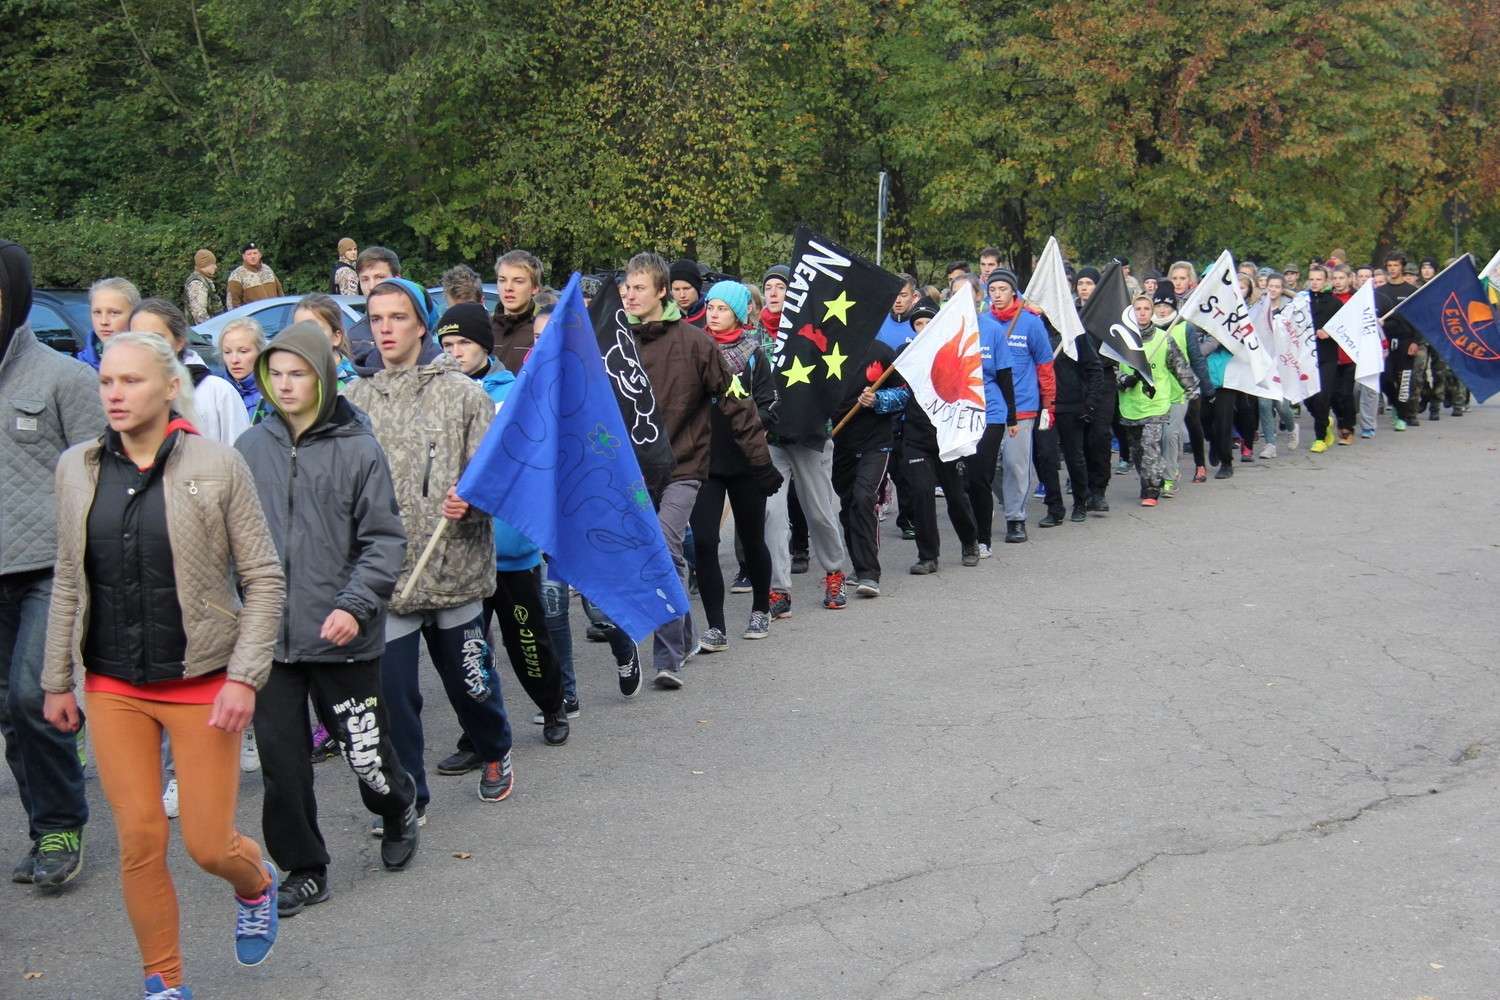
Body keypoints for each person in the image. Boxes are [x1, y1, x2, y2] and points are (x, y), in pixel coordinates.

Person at [42, 330, 285, 998]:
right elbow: (70, 577)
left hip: (203, 684)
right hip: (112, 686)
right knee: (141, 840)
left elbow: (263, 578)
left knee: (208, 845)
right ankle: (164, 984)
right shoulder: (77, 468)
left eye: (131, 381)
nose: (115, 394)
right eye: (106, 382)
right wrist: (56, 680)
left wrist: (244, 676)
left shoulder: (215, 465)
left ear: (169, 385)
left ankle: (256, 881)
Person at [235, 322, 418, 917]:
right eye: (277, 374)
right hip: (272, 642)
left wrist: (354, 604)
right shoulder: (248, 449)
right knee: (283, 768)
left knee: (365, 754)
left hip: (343, 637)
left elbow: (385, 542)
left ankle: (396, 809)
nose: (286, 386)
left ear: (323, 378)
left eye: (299, 374)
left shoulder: (358, 448)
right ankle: (304, 867)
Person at [342, 278, 517, 809]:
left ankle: (494, 747)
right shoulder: (353, 398)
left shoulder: (463, 393)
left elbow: (496, 478)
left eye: (398, 318)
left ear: (422, 324)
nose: (386, 329)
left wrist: (474, 501)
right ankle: (406, 797)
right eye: (376, 319)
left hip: (453, 567)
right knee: (393, 698)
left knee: (470, 684)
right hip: (386, 576)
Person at [622, 254, 780, 688]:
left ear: (661, 292)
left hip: (686, 467)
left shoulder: (697, 344)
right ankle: (691, 632)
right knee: (656, 554)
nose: (629, 295)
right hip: (633, 471)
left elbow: (739, 403)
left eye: (639, 288)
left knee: (667, 548)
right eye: (626, 288)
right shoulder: (614, 342)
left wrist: (761, 462)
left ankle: (668, 657)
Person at [0, 239, 106, 890]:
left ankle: (66, 822)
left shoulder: (64, 378)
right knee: (8, 713)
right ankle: (44, 829)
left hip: (50, 569)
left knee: (33, 698)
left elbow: (103, 471)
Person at [437, 302, 571, 744]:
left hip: (509, 545)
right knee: (469, 649)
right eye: (447, 344)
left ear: (484, 346)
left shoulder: (510, 393)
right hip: (459, 547)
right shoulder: (436, 397)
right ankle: (478, 732)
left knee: (526, 639)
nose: (455, 352)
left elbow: (528, 462)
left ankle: (552, 706)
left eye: (464, 343)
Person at [689, 281, 778, 646]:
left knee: (753, 538)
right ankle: (716, 626)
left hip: (746, 461)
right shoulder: (694, 347)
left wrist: (748, 421)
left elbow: (771, 406)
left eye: (723, 308)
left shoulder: (755, 353)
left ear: (740, 314)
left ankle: (760, 609)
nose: (714, 313)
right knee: (706, 543)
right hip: (705, 461)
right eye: (710, 307)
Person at [130, 299, 250, 447]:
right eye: (136, 338)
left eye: (155, 338)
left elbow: (240, 459)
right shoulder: (124, 394)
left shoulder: (218, 392)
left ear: (179, 342)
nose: (145, 346)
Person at [991, 269, 1055, 544]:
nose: (997, 295)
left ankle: (1016, 518)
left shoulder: (1030, 323)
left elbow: (1045, 366)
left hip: (1023, 407)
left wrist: (1049, 404)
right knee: (990, 465)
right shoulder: (983, 323)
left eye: (1003, 289)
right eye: (993, 290)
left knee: (1016, 465)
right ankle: (1011, 500)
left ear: (1014, 292)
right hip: (990, 407)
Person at [1117, 294, 1199, 504]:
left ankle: (1150, 490)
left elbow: (1180, 367)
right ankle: (1151, 476)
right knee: (1137, 450)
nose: (1142, 313)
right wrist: (1124, 379)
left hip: (1156, 404)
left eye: (1146, 308)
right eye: (1138, 309)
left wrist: (1192, 389)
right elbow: (1110, 369)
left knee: (1150, 445)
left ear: (1151, 312)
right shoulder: (1120, 339)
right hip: (1131, 405)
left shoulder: (1164, 339)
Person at [963, 274, 1019, 556]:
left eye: (967, 292)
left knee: (978, 478)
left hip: (990, 414)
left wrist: (1012, 417)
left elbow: (1005, 374)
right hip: (957, 414)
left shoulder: (993, 330)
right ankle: (967, 533)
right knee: (960, 480)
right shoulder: (944, 330)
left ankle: (982, 539)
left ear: (977, 296)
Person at [490, 249, 543, 373]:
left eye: (518, 281)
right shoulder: (484, 327)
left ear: (535, 288)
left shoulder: (545, 330)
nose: (508, 288)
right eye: (502, 280)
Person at [292, 294, 359, 386]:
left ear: (336, 337)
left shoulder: (354, 385)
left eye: (314, 330)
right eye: (299, 330)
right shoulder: (286, 378)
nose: (304, 337)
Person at [81, 276, 141, 369]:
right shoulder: (78, 365)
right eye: (97, 312)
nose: (103, 321)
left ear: (135, 314)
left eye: (114, 313)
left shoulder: (152, 362)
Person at [218, 317, 270, 422]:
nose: (234, 360)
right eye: (227, 352)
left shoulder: (275, 391)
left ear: (260, 352)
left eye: (243, 351)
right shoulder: (216, 391)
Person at [225, 242, 284, 309]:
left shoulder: (268, 270)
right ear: (244, 257)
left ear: (260, 255)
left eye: (255, 253)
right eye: (249, 254)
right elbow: (232, 303)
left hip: (274, 314)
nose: (253, 256)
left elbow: (280, 292)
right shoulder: (237, 275)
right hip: (253, 317)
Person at [184, 250, 223, 326]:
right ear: (205, 264)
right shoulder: (197, 284)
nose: (215, 267)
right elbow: (199, 314)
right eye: (213, 264)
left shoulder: (204, 280)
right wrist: (210, 330)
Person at [668, 258, 707, 327]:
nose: (682, 295)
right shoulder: (665, 316)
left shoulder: (712, 314)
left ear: (697, 287)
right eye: (676, 289)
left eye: (686, 288)